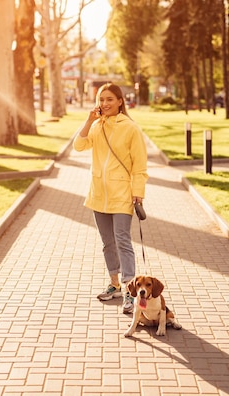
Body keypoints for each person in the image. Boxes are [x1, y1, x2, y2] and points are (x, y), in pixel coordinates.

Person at [73, 83, 149, 314]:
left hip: (122, 194)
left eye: (109, 99)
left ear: (120, 101)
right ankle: (114, 284)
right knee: (107, 243)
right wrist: (88, 121)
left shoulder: (130, 128)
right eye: (101, 99)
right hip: (99, 194)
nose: (104, 103)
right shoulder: (96, 126)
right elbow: (78, 145)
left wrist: (138, 193)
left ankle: (129, 290)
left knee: (123, 241)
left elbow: (140, 164)